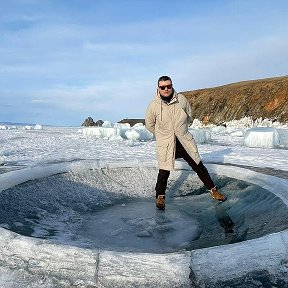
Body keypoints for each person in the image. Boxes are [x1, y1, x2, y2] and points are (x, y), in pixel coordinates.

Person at [145, 76, 227, 210]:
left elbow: (190, 116)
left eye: (168, 86)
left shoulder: (181, 100)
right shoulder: (153, 105)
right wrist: (163, 134)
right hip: (166, 143)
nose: (166, 89)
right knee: (164, 171)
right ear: (158, 88)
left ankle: (213, 191)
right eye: (162, 87)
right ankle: (160, 197)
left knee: (198, 166)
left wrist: (180, 129)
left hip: (184, 140)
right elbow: (149, 125)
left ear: (172, 86)